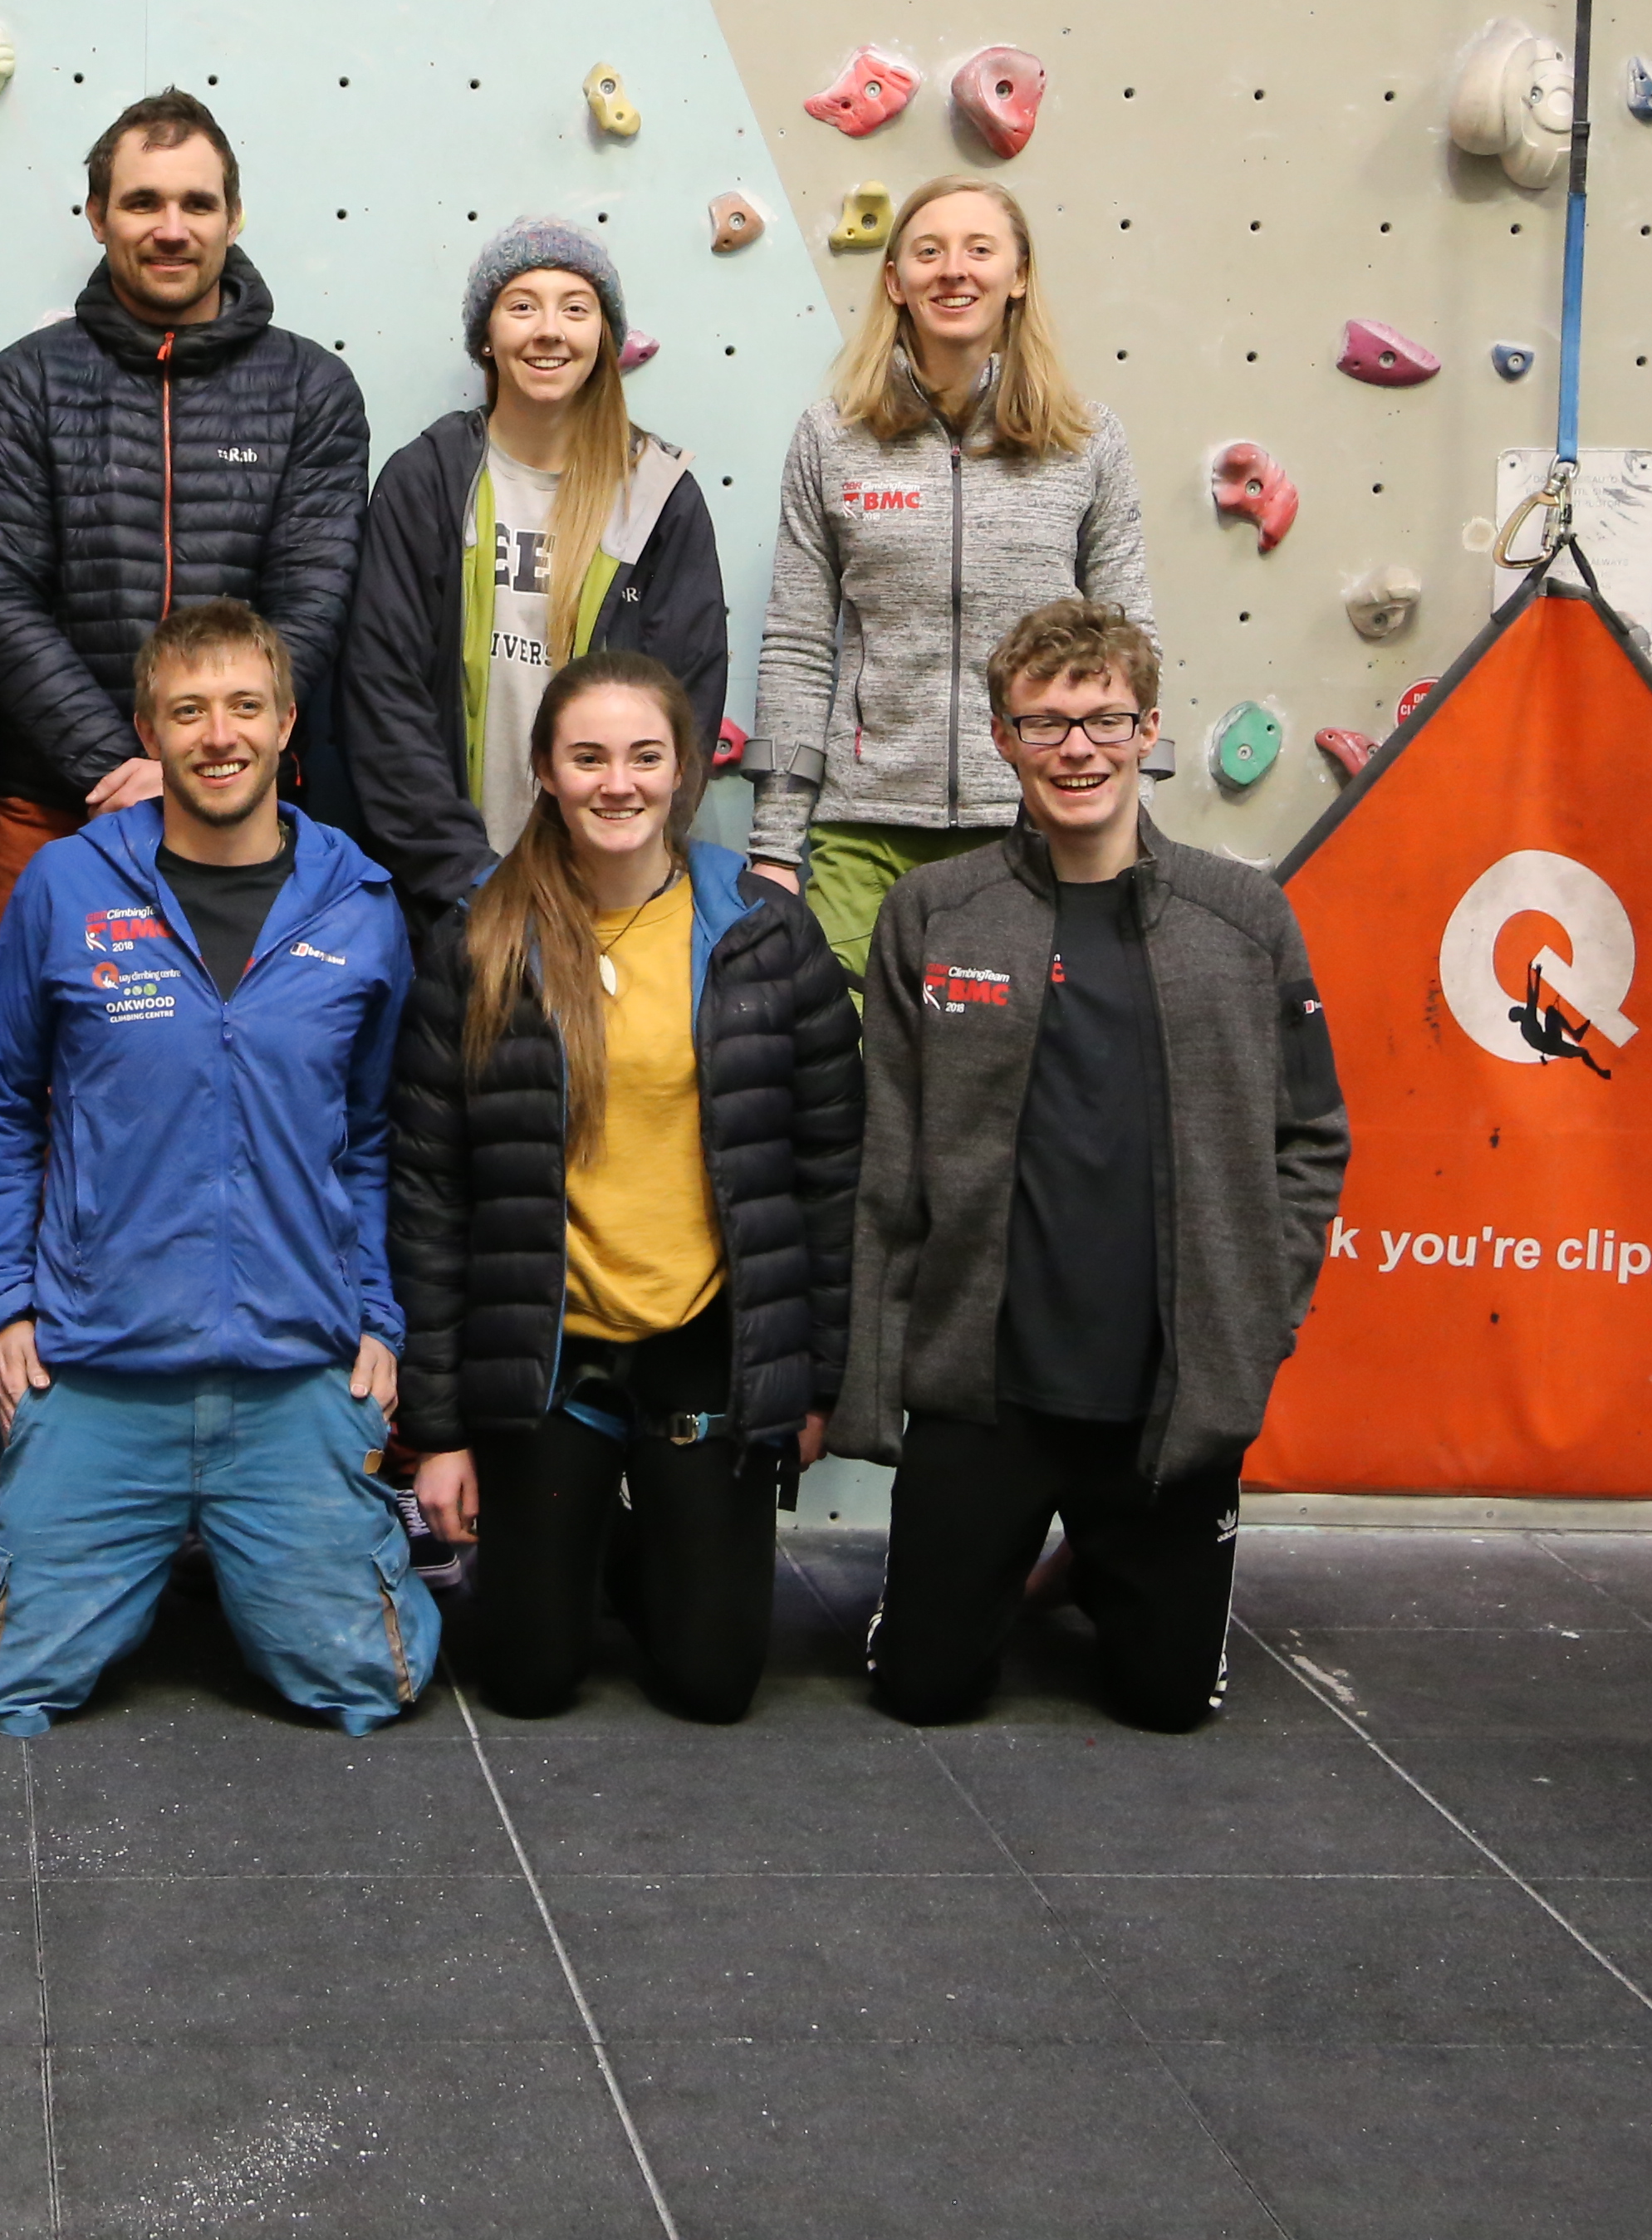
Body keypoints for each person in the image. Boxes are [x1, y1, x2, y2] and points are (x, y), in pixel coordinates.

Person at [847, 599, 1347, 1734]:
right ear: (1002, 740)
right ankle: (1000, 1556)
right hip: (989, 1382)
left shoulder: (1244, 919)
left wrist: (1257, 1317)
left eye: (1103, 720)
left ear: (1147, 731)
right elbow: (890, 1151)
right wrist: (877, 1360)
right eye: (1045, 724)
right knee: (922, 1692)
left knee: (1167, 1705)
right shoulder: (934, 913)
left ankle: (1099, 1561)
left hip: (1165, 1393)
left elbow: (1312, 1136)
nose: (1077, 749)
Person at [0, 601, 432, 1736]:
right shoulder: (67, 890)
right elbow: (3, 1109)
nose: (220, 735)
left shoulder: (360, 907)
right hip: (101, 1362)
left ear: (287, 723)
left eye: (245, 707)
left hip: (291, 1362)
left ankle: (297, 1553)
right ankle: (157, 1550)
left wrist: (376, 1316)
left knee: (368, 1686)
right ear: (148, 731)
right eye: (190, 710)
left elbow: (365, 1135)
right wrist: (0, 1307)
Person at [389, 654, 857, 1724]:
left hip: (704, 1343)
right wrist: (441, 1431)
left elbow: (832, 1169)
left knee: (711, 1683)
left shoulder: (766, 936)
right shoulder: (477, 939)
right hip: (551, 1348)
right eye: (587, 757)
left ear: (684, 771)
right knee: (528, 1681)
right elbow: (427, 1196)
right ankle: (570, 1533)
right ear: (546, 772)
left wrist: (818, 1382)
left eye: (645, 757)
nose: (618, 783)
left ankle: (659, 1532)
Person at [0, 91, 370, 947]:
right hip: (56, 809)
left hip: (246, 813)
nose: (171, 228)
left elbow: (313, 603)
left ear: (234, 216)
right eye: (142, 202)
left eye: (197, 203)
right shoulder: (24, 384)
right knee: (43, 1078)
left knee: (237, 1066)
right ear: (98, 216)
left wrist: (193, 764)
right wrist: (120, 766)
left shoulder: (311, 391)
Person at [746, 175, 1150, 974]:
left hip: (1037, 825)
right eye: (928, 252)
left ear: (1019, 274)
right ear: (895, 281)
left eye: (979, 250)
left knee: (1021, 1076)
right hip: (864, 837)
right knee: (851, 1074)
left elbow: (1131, 648)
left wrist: (1133, 827)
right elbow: (798, 644)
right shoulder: (833, 439)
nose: (953, 270)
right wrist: (774, 847)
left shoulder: (1087, 441)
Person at [338, 219, 733, 925]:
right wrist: (466, 880)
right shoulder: (426, 481)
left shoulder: (659, 496)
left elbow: (688, 706)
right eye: (522, 306)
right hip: (447, 897)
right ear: (487, 338)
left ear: (603, 339)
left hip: (609, 895)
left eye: (575, 309)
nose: (549, 330)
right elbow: (383, 697)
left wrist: (618, 863)